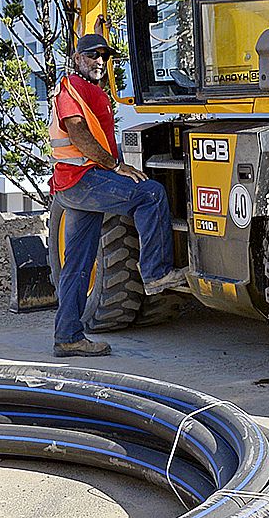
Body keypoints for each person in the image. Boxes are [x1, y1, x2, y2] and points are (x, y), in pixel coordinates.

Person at [48, 32, 186, 356]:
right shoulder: (71, 88)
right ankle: (155, 274)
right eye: (93, 55)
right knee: (150, 194)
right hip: (83, 180)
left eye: (104, 56)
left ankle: (67, 337)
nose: (99, 61)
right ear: (77, 57)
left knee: (78, 266)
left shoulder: (87, 89)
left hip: (75, 184)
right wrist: (115, 165)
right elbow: (78, 132)